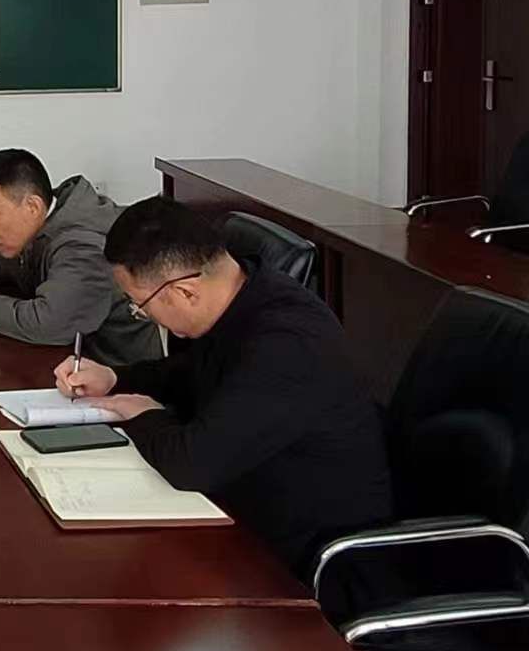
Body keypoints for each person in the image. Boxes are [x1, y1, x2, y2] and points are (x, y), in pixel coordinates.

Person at [55, 196, 392, 577]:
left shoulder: (288, 342)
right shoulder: (240, 296)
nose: (144, 315)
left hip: (306, 561)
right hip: (245, 510)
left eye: (140, 305)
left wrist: (145, 415)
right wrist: (116, 378)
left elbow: (192, 464)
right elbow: (192, 373)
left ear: (185, 292)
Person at [0, 149, 161, 366]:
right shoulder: (47, 220)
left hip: (116, 378)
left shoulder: (82, 245)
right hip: (72, 365)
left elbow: (50, 323)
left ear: (32, 206)